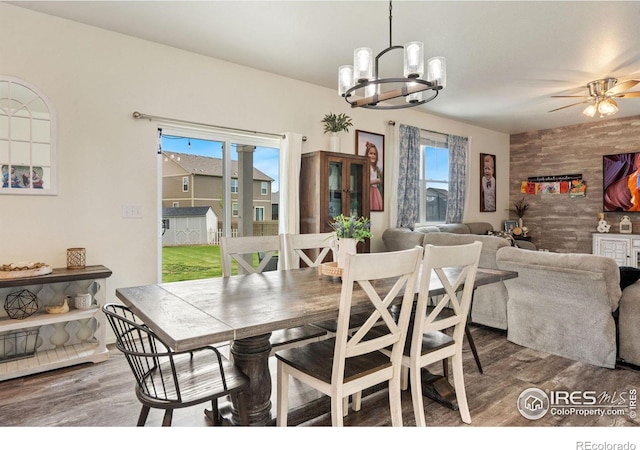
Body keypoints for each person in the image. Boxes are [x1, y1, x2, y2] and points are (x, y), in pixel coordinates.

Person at [366, 141, 383, 211]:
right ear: (367, 154)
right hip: (369, 191)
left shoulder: (377, 169)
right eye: (370, 153)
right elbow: (364, 181)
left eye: (374, 154)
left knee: (377, 206)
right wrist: (374, 181)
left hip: (375, 191)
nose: (373, 156)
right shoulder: (366, 167)